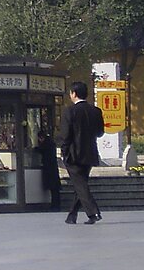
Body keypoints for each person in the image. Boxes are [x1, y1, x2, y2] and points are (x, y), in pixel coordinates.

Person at [57, 81, 105, 224]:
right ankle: (72, 215)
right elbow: (100, 132)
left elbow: (65, 135)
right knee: (81, 183)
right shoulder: (96, 111)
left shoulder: (69, 111)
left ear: (74, 94)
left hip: (73, 154)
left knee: (80, 184)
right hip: (90, 153)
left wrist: (63, 152)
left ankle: (93, 213)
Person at [34, 130, 61, 210]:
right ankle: (56, 205)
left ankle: (55, 206)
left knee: (53, 189)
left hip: (49, 168)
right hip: (53, 168)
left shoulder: (46, 144)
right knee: (55, 189)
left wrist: (35, 149)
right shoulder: (51, 143)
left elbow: (41, 150)